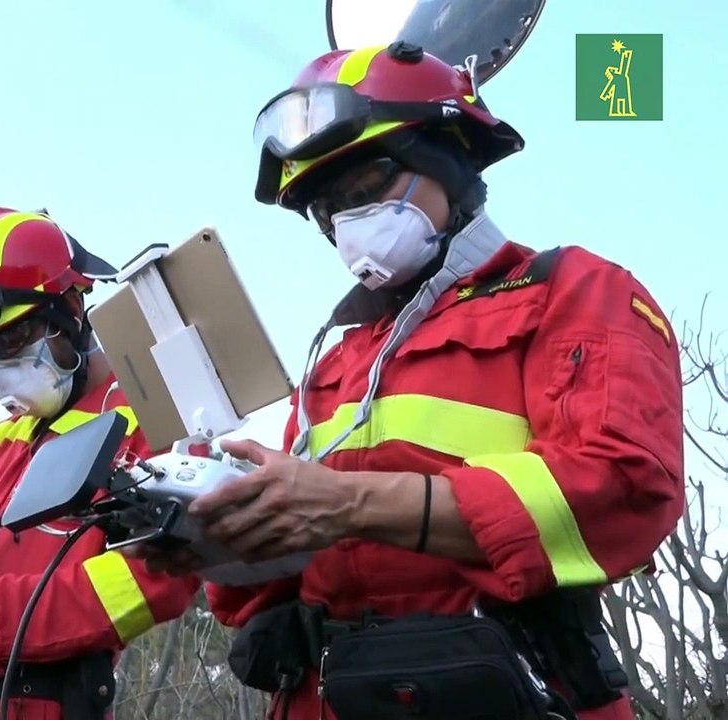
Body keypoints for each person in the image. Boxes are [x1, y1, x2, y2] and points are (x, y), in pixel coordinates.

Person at [127, 42, 685, 720]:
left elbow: (623, 486)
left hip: (501, 693)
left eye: (364, 190)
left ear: (446, 163)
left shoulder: (570, 290)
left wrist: (350, 502)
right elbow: (279, 585)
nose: (345, 224)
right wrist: (217, 538)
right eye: (326, 210)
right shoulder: (335, 362)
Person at [0, 207, 202, 720]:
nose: (2, 368)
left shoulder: (148, 415)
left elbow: (157, 578)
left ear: (71, 312)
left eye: (12, 340)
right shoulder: (4, 440)